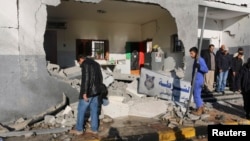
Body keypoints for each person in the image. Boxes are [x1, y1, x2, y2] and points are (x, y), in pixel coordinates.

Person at [70, 54, 103, 135]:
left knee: (81, 111)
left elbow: (86, 79)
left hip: (88, 93)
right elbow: (101, 78)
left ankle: (79, 129)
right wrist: (98, 89)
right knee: (94, 111)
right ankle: (94, 129)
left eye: (79, 62)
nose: (79, 64)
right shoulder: (96, 64)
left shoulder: (85, 64)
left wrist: (85, 93)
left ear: (81, 59)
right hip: (96, 92)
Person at [189, 47, 208, 116]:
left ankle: (199, 109)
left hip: (198, 80)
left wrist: (200, 67)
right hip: (195, 80)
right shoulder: (196, 60)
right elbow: (194, 72)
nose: (191, 55)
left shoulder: (200, 60)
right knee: (197, 95)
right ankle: (202, 108)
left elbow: (206, 69)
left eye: (192, 53)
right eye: (190, 53)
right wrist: (192, 80)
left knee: (196, 95)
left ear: (196, 53)